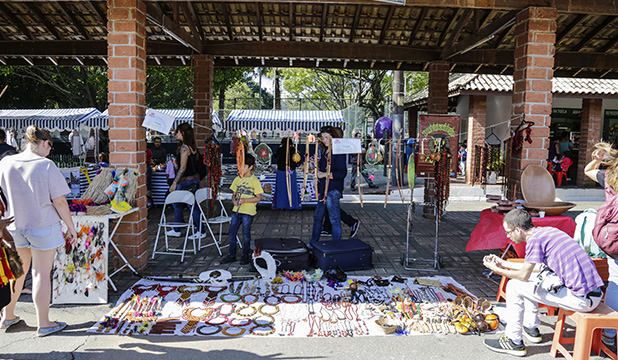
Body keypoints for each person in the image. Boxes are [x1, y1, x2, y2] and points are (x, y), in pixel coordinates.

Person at [482, 209, 604, 357]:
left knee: (514, 286)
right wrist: (503, 263)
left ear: (518, 230)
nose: (508, 236)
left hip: (581, 299)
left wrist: (496, 270)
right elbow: (537, 267)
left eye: (508, 232)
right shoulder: (546, 232)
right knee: (533, 280)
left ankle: (513, 341)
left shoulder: (534, 241)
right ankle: (531, 328)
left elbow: (523, 275)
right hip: (593, 294)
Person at [0, 125, 78, 337]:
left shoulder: (5, 162)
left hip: (13, 226)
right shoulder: (46, 165)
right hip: (43, 224)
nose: (50, 150)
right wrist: (71, 228)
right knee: (41, 273)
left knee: (17, 272)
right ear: (44, 143)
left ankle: (7, 316)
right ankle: (43, 323)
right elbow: (60, 201)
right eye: (50, 146)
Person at [584, 141, 618, 352]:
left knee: (615, 283)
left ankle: (609, 333)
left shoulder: (608, 178)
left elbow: (588, 170)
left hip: (614, 239)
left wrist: (597, 159)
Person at [221, 153, 263, 265]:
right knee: (232, 233)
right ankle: (231, 254)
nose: (241, 168)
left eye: (244, 166)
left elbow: (258, 198)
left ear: (250, 167)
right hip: (236, 210)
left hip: (248, 212)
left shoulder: (254, 181)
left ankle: (246, 255)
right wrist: (234, 200)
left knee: (245, 234)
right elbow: (233, 194)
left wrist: (245, 201)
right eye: (240, 165)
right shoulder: (237, 179)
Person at [309, 126, 347, 245]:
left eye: (327, 138)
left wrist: (324, 174)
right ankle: (313, 243)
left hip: (333, 189)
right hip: (323, 189)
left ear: (334, 138)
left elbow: (342, 173)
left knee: (334, 219)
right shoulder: (324, 150)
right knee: (317, 217)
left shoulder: (338, 151)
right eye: (323, 138)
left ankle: (336, 246)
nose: (324, 140)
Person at [166, 123, 204, 240]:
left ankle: (200, 230)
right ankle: (178, 228)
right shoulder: (191, 147)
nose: (174, 134)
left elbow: (182, 168)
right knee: (179, 203)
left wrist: (174, 183)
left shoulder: (184, 148)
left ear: (182, 133)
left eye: (177, 132)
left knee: (190, 205)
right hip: (193, 179)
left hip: (186, 181)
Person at [273, 137, 301, 210]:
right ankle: (291, 204)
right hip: (291, 171)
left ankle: (280, 205)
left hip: (281, 170)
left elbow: (275, 156)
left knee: (281, 189)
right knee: (291, 188)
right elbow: (298, 160)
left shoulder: (280, 149)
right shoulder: (294, 150)